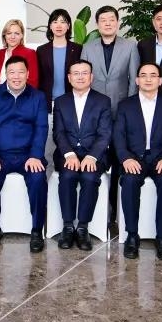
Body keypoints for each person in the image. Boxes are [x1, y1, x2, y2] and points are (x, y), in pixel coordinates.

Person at [114, 62, 162, 261]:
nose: (148, 79)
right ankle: (132, 235)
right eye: (143, 75)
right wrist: (126, 158)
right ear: (137, 80)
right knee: (129, 182)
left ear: (160, 81)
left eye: (153, 75)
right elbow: (118, 136)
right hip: (134, 159)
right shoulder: (125, 105)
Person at [0, 56, 49, 253]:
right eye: (12, 72)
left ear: (28, 74)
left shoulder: (38, 97)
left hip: (28, 155)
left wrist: (35, 155)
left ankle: (37, 230)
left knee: (38, 178)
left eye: (21, 72)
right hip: (0, 155)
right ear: (5, 74)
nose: (16, 76)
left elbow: (41, 128)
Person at [51, 59, 112, 251]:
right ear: (69, 78)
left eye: (84, 73)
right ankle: (68, 226)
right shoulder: (61, 101)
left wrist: (92, 156)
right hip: (66, 153)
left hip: (94, 154)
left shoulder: (103, 101)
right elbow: (58, 133)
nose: (80, 77)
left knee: (89, 177)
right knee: (68, 176)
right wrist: (69, 154)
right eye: (76, 73)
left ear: (91, 77)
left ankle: (83, 227)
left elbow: (104, 134)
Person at [80, 5, 139, 115]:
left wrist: (130, 105)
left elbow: (134, 80)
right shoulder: (87, 48)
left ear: (117, 23)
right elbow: (83, 78)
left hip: (121, 105)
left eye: (111, 20)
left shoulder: (130, 46)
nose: (108, 24)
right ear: (97, 24)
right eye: (103, 20)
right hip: (93, 106)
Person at [37, 8, 83, 108]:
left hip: (71, 101)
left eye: (63, 22)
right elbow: (39, 77)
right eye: (55, 22)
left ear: (68, 26)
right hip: (47, 101)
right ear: (50, 26)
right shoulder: (41, 50)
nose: (59, 25)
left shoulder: (77, 49)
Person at [0, 19, 39, 88]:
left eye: (16, 33)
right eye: (9, 33)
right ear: (4, 35)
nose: (12, 37)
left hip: (22, 94)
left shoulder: (30, 53)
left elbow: (33, 82)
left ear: (22, 35)